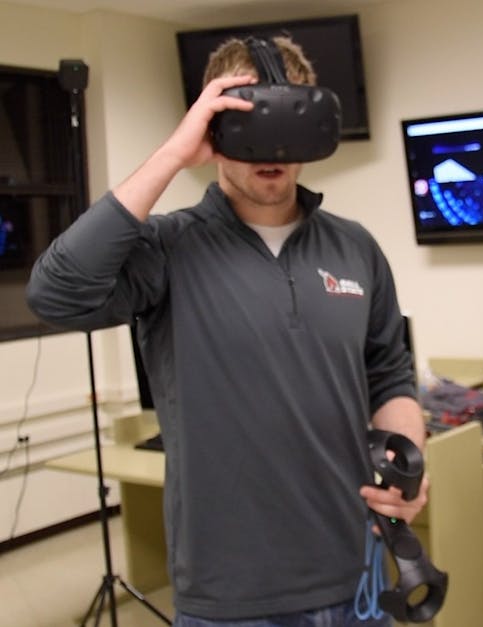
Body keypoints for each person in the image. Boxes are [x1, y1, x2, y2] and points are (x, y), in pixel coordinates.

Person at [26, 36, 427, 626]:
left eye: (287, 120)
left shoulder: (355, 247)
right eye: (247, 121)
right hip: (232, 596)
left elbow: (388, 371)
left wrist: (408, 469)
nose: (271, 148)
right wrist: (171, 155)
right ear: (210, 127)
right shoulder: (165, 247)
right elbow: (54, 293)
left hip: (356, 569)